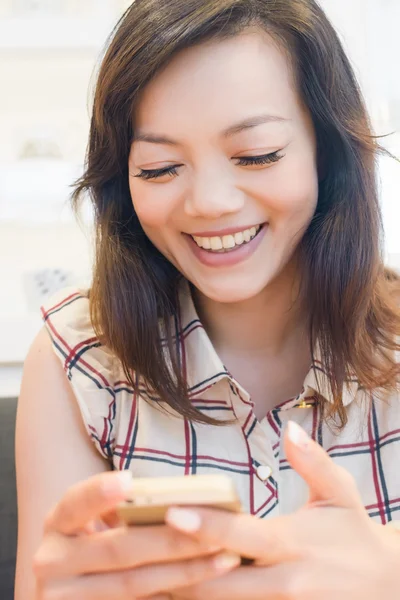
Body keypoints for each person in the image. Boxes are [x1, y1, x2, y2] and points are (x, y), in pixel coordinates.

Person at [15, 0, 400, 598]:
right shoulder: (79, 362)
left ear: (328, 151)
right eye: (161, 168)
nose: (210, 203)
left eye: (258, 155)